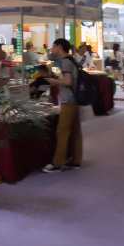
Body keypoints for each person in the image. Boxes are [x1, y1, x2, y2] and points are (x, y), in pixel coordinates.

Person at [42, 39, 82, 173]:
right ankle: (76, 160)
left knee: (62, 131)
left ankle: (57, 163)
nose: (52, 49)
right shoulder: (70, 60)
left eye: (53, 46)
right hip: (74, 99)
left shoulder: (65, 61)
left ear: (59, 47)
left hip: (68, 100)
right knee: (75, 131)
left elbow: (68, 81)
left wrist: (54, 81)